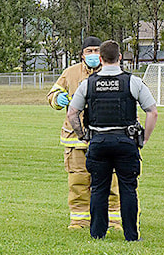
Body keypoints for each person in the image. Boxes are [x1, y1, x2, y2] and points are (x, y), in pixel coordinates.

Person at [67, 40, 157, 241]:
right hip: (125, 142)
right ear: (120, 58)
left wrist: (82, 135)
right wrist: (144, 138)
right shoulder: (132, 82)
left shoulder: (87, 83)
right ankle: (131, 235)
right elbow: (152, 112)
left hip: (98, 142)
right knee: (128, 188)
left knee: (98, 188)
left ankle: (97, 234)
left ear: (100, 59)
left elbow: (72, 113)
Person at [48, 36, 121, 230]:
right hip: (75, 138)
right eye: (89, 51)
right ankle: (80, 220)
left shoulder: (112, 73)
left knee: (111, 181)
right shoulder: (70, 73)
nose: (93, 55)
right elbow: (52, 95)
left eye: (97, 50)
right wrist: (58, 99)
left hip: (105, 136)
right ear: (82, 54)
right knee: (78, 181)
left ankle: (113, 220)